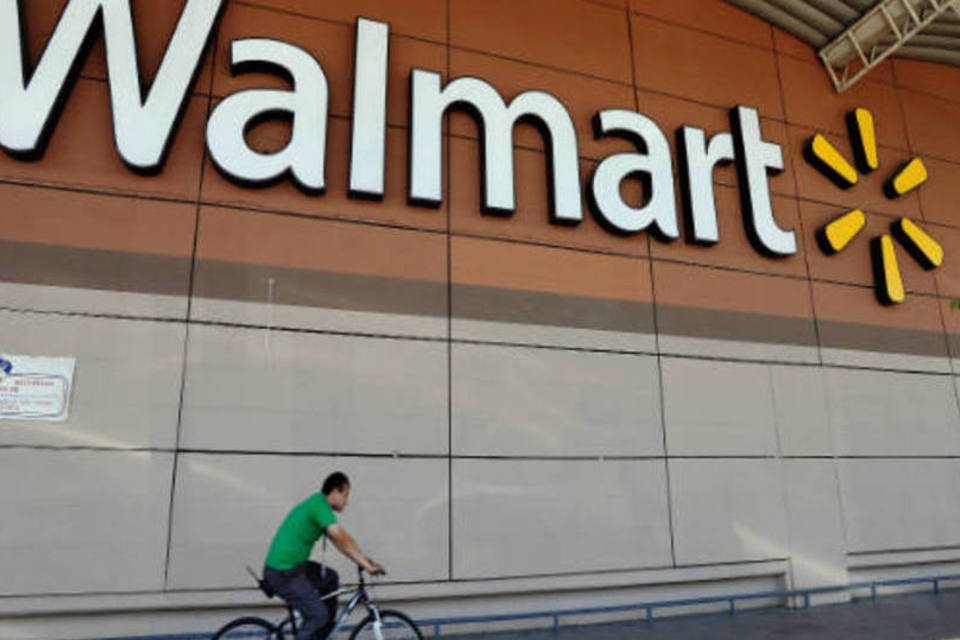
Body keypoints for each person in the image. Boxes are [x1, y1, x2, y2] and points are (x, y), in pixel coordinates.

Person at [263, 472, 386, 640]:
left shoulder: (318, 504)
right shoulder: (318, 506)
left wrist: (363, 560)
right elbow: (340, 537)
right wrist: (366, 565)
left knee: (330, 578)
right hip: (283, 571)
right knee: (318, 615)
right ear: (335, 491)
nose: (347, 501)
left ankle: (321, 633)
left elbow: (340, 542)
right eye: (345, 495)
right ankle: (317, 623)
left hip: (295, 567)